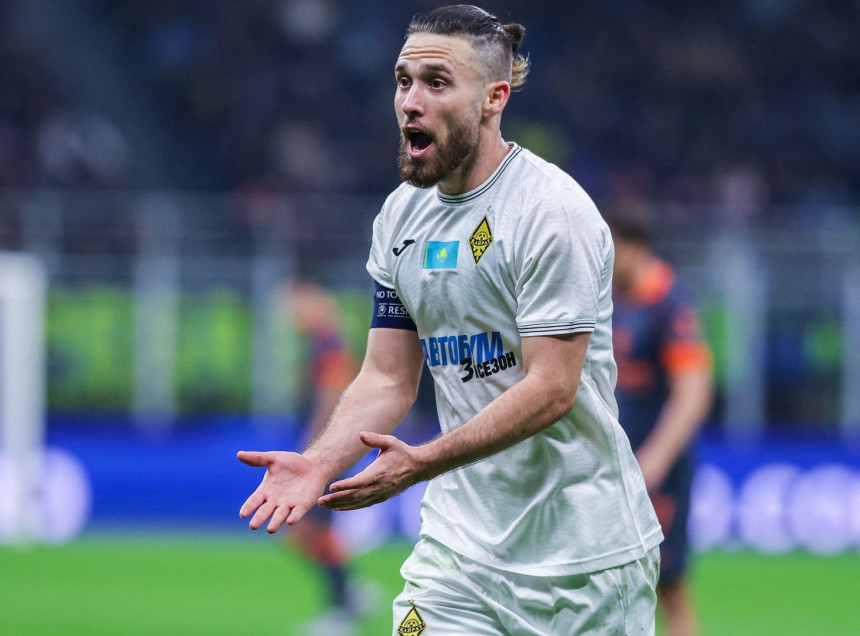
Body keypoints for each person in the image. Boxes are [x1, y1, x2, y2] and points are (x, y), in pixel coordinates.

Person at [239, 5, 663, 633]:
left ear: (494, 98)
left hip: (583, 560)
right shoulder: (400, 217)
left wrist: (421, 462)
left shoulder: (552, 212)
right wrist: (321, 459)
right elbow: (386, 377)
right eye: (403, 80)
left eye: (437, 83)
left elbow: (551, 387)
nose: (411, 101)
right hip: (457, 554)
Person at [609, 213, 714, 636]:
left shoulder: (668, 303)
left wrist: (657, 457)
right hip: (617, 463)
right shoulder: (612, 300)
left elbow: (694, 391)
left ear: (633, 246)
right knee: (614, 580)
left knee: (668, 583)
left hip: (657, 469)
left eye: (610, 245)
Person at [284, 279, 365, 635]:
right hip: (327, 448)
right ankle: (350, 595)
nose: (290, 314)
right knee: (308, 532)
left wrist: (313, 446)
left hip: (326, 450)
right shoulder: (320, 343)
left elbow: (332, 395)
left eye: (296, 305)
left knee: (308, 530)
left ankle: (342, 611)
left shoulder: (329, 344)